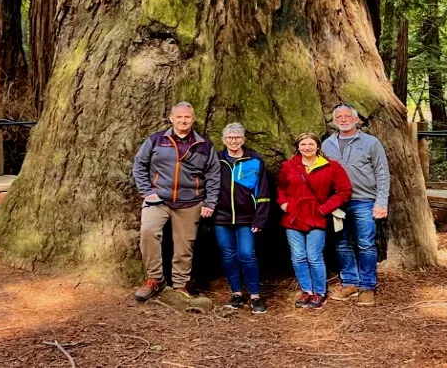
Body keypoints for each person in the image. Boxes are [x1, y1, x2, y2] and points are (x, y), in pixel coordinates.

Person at [131, 102, 221, 302]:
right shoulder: (156, 140)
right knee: (148, 232)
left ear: (193, 119)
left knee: (185, 245)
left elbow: (214, 175)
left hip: (191, 201)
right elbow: (139, 164)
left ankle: (180, 284)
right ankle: (155, 279)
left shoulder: (204, 145)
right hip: (158, 199)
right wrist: (147, 192)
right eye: (179, 117)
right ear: (171, 118)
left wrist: (210, 202)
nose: (183, 120)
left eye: (187, 117)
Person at [321, 103, 390, 307]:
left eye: (347, 116)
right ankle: (349, 282)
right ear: (334, 120)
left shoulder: (370, 142)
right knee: (342, 243)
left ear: (356, 119)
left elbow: (382, 173)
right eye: (339, 117)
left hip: (364, 200)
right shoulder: (326, 145)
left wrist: (381, 202)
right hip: (338, 203)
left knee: (365, 243)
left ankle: (367, 286)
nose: (343, 120)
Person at [277, 132, 351, 310]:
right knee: (298, 256)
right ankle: (306, 290)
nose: (307, 148)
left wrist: (324, 208)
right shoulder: (289, 166)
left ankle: (319, 292)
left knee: (314, 256)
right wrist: (284, 204)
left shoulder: (331, 166)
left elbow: (344, 191)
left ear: (318, 146)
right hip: (293, 217)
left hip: (316, 216)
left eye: (311, 144)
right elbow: (281, 187)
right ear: (298, 147)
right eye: (303, 145)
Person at [210, 123, 271, 314]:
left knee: (247, 254)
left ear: (243, 139)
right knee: (228, 255)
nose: (233, 141)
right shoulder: (217, 161)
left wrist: (259, 219)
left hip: (247, 217)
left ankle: (255, 296)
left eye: (237, 137)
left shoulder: (254, 160)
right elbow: (209, 187)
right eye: (229, 137)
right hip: (222, 217)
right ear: (223, 140)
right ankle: (236, 293)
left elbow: (263, 192)